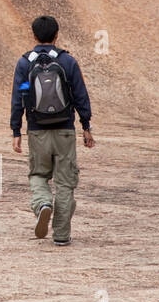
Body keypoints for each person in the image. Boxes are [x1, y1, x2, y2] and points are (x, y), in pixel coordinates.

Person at [10, 15, 95, 246]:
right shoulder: (67, 62)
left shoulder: (25, 63)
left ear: (33, 35)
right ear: (56, 35)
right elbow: (80, 96)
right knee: (65, 183)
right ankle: (61, 235)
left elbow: (19, 97)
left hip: (37, 131)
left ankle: (43, 204)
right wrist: (86, 126)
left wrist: (16, 130)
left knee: (38, 174)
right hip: (65, 131)